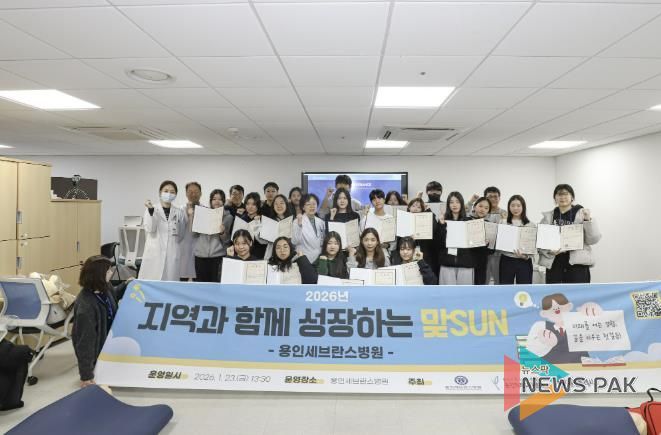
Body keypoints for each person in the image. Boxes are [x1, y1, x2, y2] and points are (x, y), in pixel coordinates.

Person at [72, 255, 131, 388]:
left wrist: (126, 285)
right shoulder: (86, 306)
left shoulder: (105, 287)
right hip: (99, 352)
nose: (111, 272)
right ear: (99, 275)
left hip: (109, 343)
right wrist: (86, 375)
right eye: (108, 271)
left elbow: (114, 295)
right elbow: (84, 343)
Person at [539, 184, 601, 284]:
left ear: (572, 197)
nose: (562, 197)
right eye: (559, 194)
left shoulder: (582, 214)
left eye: (566, 194)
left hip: (577, 265)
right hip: (555, 265)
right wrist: (549, 251)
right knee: (555, 293)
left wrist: (588, 220)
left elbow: (593, 239)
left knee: (578, 293)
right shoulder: (548, 217)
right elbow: (541, 243)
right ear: (555, 198)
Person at [139, 180, 187, 281]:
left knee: (169, 284)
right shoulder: (151, 209)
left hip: (172, 253)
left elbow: (181, 234)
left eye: (172, 192)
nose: (169, 194)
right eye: (166, 191)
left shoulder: (179, 212)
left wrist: (173, 244)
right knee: (151, 283)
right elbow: (150, 229)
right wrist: (151, 211)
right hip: (155, 252)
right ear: (160, 192)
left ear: (176, 195)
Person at [467, 186, 508, 284]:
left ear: (499, 198)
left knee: (498, 281)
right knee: (482, 280)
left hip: (497, 254)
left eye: (495, 196)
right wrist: (470, 202)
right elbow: (463, 212)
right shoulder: (474, 215)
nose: (493, 199)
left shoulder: (504, 214)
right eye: (490, 196)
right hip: (478, 255)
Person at [194, 189, 234, 283]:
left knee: (216, 283)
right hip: (200, 255)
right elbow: (195, 234)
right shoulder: (202, 214)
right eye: (214, 199)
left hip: (218, 255)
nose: (217, 201)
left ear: (223, 201)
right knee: (200, 284)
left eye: (220, 199)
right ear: (210, 201)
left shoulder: (228, 217)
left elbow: (227, 241)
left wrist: (222, 233)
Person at [438, 191, 475, 285]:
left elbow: (473, 243)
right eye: (451, 202)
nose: (454, 205)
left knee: (464, 292)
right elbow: (438, 243)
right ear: (448, 205)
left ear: (462, 204)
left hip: (465, 264)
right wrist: (441, 225)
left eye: (457, 202)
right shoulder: (443, 221)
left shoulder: (469, 221)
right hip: (447, 264)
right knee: (447, 292)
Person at [499, 195, 536, 285]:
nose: (515, 208)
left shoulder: (530, 225)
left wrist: (524, 256)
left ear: (523, 207)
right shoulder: (503, 222)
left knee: (524, 289)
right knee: (505, 288)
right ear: (509, 207)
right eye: (512, 205)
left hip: (524, 261)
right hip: (506, 260)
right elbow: (499, 242)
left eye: (518, 205)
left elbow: (533, 247)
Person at [407, 197, 442, 275]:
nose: (415, 209)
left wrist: (428, 211)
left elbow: (435, 229)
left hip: (425, 257)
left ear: (422, 210)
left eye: (419, 207)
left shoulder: (426, 220)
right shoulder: (404, 221)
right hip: (408, 258)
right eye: (413, 206)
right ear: (409, 208)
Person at [292, 193, 325, 263]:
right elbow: (295, 241)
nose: (312, 206)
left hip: (318, 259)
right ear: (303, 207)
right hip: (304, 259)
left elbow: (322, 241)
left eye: (314, 204)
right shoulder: (297, 221)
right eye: (308, 204)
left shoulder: (321, 222)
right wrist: (299, 225)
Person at [179, 181, 201, 282]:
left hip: (200, 251)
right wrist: (188, 215)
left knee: (198, 279)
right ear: (186, 193)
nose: (193, 194)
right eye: (190, 191)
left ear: (201, 193)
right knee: (182, 278)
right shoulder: (180, 210)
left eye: (196, 191)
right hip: (184, 249)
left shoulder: (205, 210)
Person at [236, 192, 267, 259]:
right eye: (248, 204)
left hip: (259, 255)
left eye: (253, 204)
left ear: (258, 205)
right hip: (243, 255)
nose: (250, 207)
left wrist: (257, 223)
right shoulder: (241, 219)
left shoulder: (263, 220)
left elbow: (264, 241)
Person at [470, 196, 494, 285]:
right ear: (474, 207)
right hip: (466, 261)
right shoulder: (466, 221)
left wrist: (488, 244)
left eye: (486, 208)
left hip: (481, 263)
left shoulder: (490, 225)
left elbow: (491, 251)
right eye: (480, 206)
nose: (482, 209)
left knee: (479, 287)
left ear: (488, 211)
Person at [263, 194, 293, 259]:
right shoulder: (269, 221)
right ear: (273, 206)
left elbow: (295, 240)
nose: (279, 206)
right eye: (276, 204)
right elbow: (263, 241)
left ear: (286, 205)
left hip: (287, 254)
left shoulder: (292, 221)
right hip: (272, 254)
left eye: (281, 203)